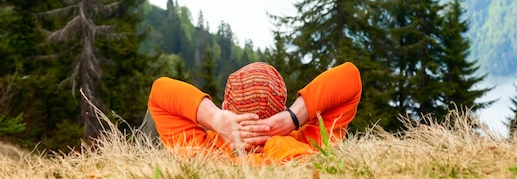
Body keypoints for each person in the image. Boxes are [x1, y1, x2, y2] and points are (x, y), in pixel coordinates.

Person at [147, 61, 362, 163]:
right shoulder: (309, 146)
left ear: (226, 109)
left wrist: (214, 119)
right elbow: (349, 76)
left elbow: (160, 91)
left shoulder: (204, 154)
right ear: (281, 110)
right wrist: (294, 117)